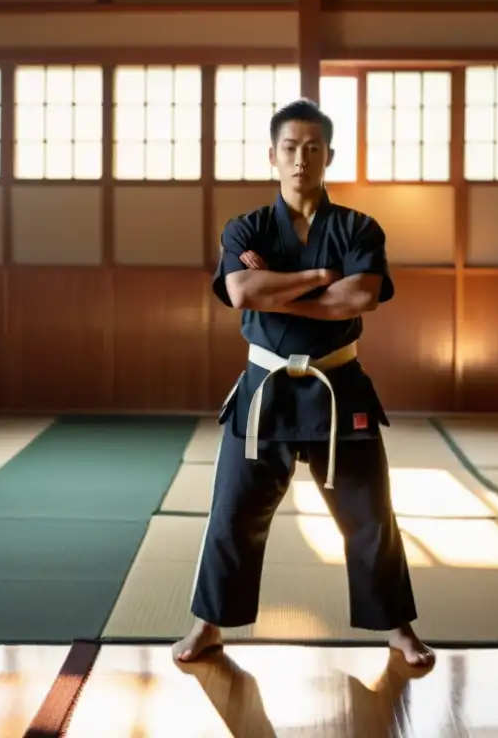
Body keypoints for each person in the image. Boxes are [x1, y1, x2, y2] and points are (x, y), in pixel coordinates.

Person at [172, 98, 433, 667]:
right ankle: (208, 624)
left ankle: (398, 628)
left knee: (370, 515)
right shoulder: (247, 227)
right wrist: (319, 278)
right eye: (289, 148)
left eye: (313, 148)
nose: (300, 159)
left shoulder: (359, 227)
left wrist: (280, 287)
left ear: (329, 156)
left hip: (339, 388)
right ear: (272, 156)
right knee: (232, 514)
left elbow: (360, 297)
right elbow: (242, 293)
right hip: (264, 390)